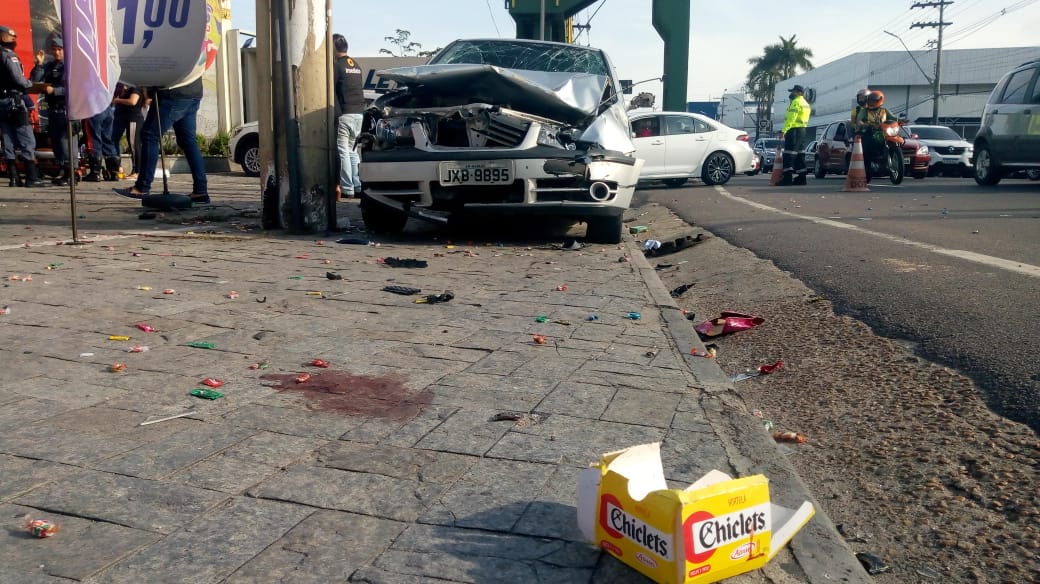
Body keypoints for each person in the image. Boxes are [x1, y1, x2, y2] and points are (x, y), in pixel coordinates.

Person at [113, 78, 208, 203]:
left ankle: (142, 187)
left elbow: (165, 64)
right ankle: (200, 191)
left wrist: (150, 89)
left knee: (149, 135)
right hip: (193, 93)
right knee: (188, 141)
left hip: (172, 93)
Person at [0, 24, 44, 187]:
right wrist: (30, 85)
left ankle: (14, 177)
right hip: (14, 102)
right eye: (10, 36)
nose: (13, 39)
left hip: (2, 103)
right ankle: (32, 177)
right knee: (27, 139)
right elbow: (19, 80)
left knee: (8, 139)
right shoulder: (8, 55)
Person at [31, 36, 76, 186]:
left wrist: (54, 91)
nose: (56, 52)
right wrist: (39, 64)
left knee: (66, 143)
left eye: (59, 49)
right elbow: (36, 79)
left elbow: (73, 88)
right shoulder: (50, 66)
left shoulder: (70, 66)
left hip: (66, 109)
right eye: (54, 50)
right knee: (57, 143)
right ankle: (63, 170)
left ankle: (71, 174)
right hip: (53, 109)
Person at [333, 34, 364, 198]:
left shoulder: (337, 66)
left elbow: (330, 90)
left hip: (345, 114)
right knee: (353, 152)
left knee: (343, 151)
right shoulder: (356, 65)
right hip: (359, 113)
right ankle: (358, 186)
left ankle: (347, 188)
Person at [856, 90, 898, 172]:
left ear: (880, 100)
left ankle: (894, 156)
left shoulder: (884, 110)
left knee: (899, 138)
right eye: (870, 100)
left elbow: (893, 118)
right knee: (867, 144)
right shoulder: (864, 111)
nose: (871, 102)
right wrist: (864, 124)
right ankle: (867, 165)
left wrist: (901, 121)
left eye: (874, 100)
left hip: (884, 132)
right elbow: (859, 120)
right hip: (870, 132)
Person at [778, 84, 811, 186]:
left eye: (793, 91)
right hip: (802, 130)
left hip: (794, 131)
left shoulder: (796, 102)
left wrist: (784, 130)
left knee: (789, 154)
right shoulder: (805, 103)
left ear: (799, 92)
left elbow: (791, 119)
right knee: (800, 154)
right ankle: (802, 178)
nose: (791, 93)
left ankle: (787, 179)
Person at [111, 82, 145, 177]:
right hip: (122, 118)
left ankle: (137, 171)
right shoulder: (120, 87)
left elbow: (132, 101)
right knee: (114, 139)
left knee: (134, 145)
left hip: (133, 119)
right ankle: (117, 166)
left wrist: (118, 100)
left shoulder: (135, 88)